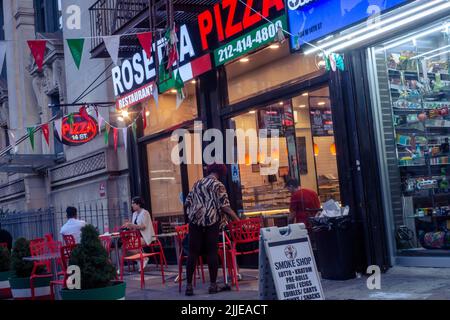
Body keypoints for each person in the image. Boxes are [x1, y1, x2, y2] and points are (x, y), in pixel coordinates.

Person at [184, 163, 240, 296]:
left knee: (192, 253)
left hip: (195, 223)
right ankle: (213, 285)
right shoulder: (218, 185)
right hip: (211, 221)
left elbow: (187, 202)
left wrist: (196, 212)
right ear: (220, 173)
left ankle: (189, 287)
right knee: (212, 253)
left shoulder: (197, 183)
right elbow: (225, 206)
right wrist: (237, 220)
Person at [122, 196, 156, 271]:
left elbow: (143, 227)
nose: (132, 205)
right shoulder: (134, 214)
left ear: (138, 204)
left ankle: (143, 258)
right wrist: (128, 226)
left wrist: (132, 225)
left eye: (133, 203)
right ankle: (140, 258)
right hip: (136, 237)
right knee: (124, 246)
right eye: (132, 203)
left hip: (146, 236)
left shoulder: (145, 213)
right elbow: (134, 227)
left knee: (129, 245)